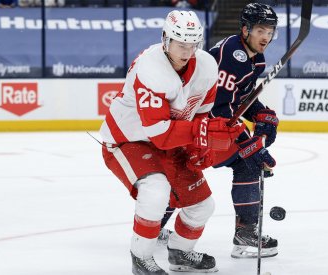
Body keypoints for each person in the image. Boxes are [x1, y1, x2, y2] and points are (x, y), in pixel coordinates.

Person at [100, 10, 244, 275]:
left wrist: (200, 147)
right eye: (181, 44)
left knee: (203, 206)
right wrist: (201, 131)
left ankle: (180, 253)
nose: (187, 51)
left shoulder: (206, 67)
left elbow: (200, 114)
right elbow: (159, 133)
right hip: (129, 140)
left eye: (193, 44)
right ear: (165, 39)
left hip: (170, 140)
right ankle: (141, 258)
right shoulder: (150, 68)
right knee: (155, 191)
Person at [158, 3, 280, 259]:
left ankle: (152, 227)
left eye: (270, 31)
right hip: (198, 125)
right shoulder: (231, 55)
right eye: (260, 30)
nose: (266, 37)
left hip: (207, 126)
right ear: (245, 29)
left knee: (186, 175)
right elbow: (216, 108)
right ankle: (245, 235)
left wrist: (260, 113)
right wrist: (249, 143)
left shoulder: (254, 58)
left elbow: (238, 100)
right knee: (245, 161)